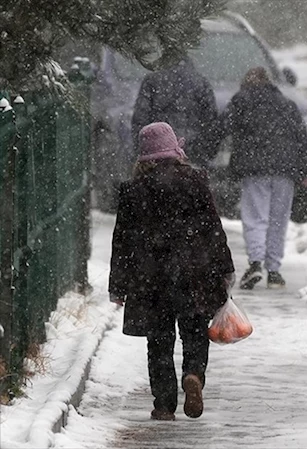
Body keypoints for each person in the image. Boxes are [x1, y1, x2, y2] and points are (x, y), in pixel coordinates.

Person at [109, 122, 235, 421]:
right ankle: (193, 374)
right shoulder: (195, 181)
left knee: (159, 341)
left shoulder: (133, 190)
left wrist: (118, 284)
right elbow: (213, 229)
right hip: (194, 273)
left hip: (150, 277)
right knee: (194, 332)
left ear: (143, 155)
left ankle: (164, 404)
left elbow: (122, 240)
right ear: (175, 150)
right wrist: (224, 268)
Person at [221, 67, 307, 290]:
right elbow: (302, 140)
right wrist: (304, 171)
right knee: (278, 221)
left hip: (255, 168)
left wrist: (203, 151)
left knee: (255, 218)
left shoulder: (242, 100)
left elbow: (221, 127)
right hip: (285, 169)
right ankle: (274, 272)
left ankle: (255, 264)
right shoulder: (287, 104)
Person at [131, 48, 218, 166]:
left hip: (159, 151)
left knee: (161, 182)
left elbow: (140, 118)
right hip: (192, 151)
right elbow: (211, 120)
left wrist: (142, 150)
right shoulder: (201, 82)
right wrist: (205, 151)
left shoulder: (152, 80)